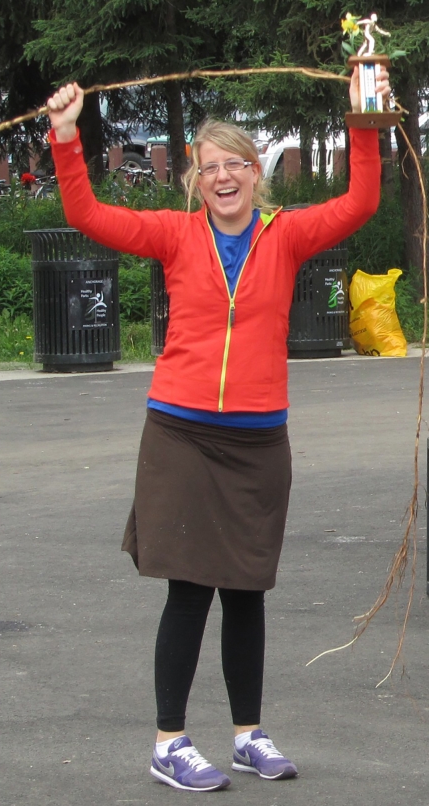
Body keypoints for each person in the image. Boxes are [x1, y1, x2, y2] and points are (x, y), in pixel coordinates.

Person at [47, 65, 391, 793]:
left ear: (255, 174)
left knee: (246, 589)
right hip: (180, 434)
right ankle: (170, 742)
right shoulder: (174, 237)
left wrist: (365, 116)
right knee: (190, 590)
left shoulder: (288, 235)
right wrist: (68, 137)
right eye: (211, 168)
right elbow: (88, 215)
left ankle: (248, 735)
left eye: (237, 163)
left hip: (259, 441)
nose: (225, 176)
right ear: (196, 182)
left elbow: (363, 199)